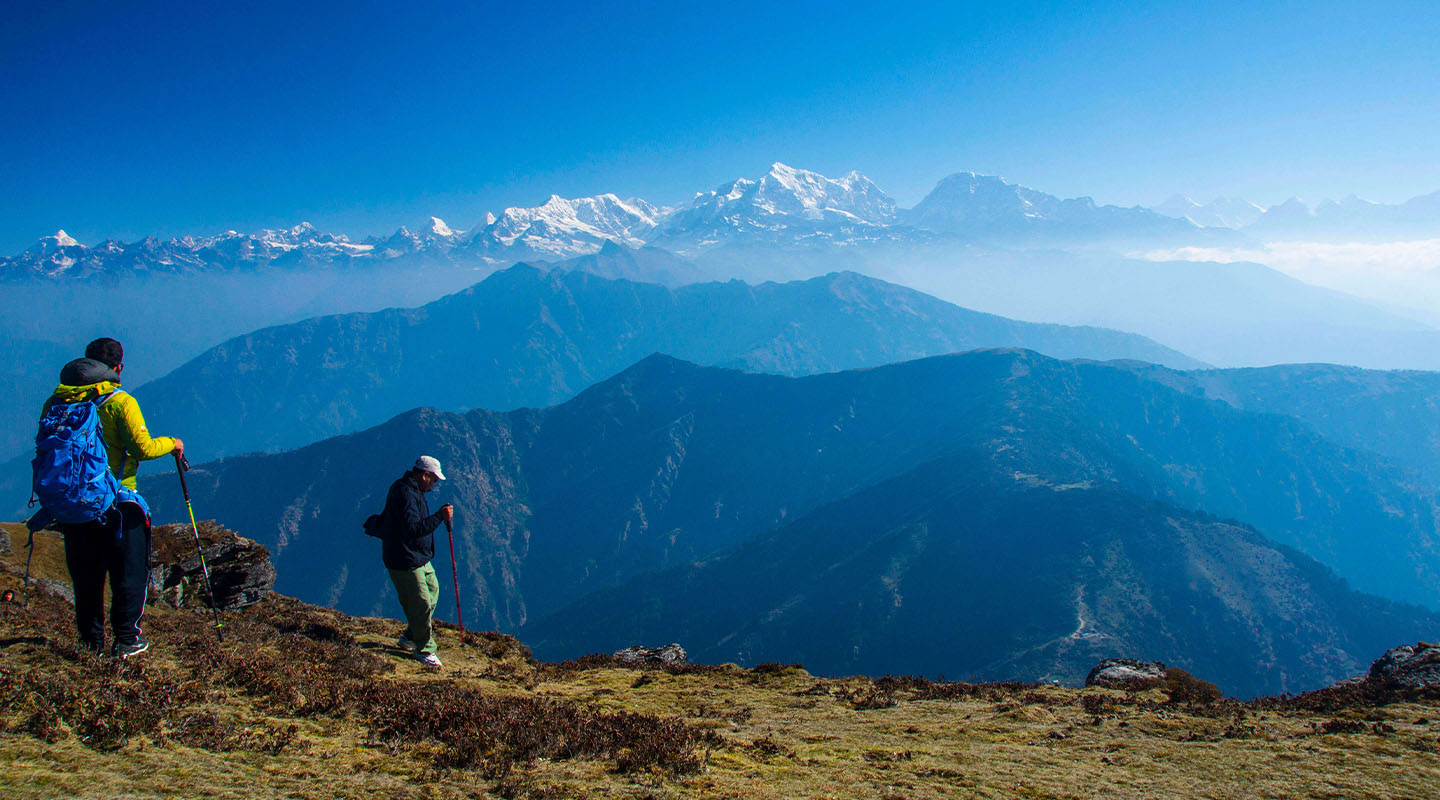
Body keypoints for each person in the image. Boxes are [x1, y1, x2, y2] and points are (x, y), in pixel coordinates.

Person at [34, 337, 182, 658]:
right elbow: (142, 448)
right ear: (118, 368)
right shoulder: (119, 402)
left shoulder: (57, 404)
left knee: (86, 578)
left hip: (74, 506)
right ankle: (127, 640)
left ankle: (91, 645)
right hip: (118, 503)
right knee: (128, 572)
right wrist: (172, 443)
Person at [378, 455, 454, 667]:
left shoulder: (413, 490)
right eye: (434, 480)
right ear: (424, 475)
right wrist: (440, 517)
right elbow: (412, 530)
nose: (434, 485)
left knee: (433, 592)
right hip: (404, 559)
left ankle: (411, 635)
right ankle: (424, 649)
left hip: (418, 557)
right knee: (420, 603)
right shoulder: (405, 495)